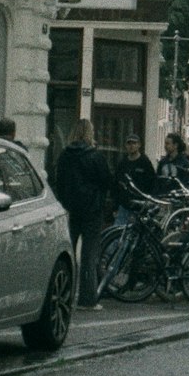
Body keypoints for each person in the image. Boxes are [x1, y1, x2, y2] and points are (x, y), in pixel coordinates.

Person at [54, 118, 113, 310]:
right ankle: (87, 300)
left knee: (67, 253)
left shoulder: (64, 155)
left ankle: (65, 295)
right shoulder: (95, 156)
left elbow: (59, 182)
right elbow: (106, 181)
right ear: (89, 133)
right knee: (89, 255)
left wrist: (65, 202)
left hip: (71, 210)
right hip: (92, 211)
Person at [113, 134, 156, 223]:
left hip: (139, 207)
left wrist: (148, 202)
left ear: (139, 145)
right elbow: (116, 185)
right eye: (129, 143)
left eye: (134, 143)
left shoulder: (145, 162)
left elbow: (152, 183)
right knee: (118, 233)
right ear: (126, 145)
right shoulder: (122, 163)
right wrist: (115, 207)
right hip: (124, 206)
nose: (131, 146)